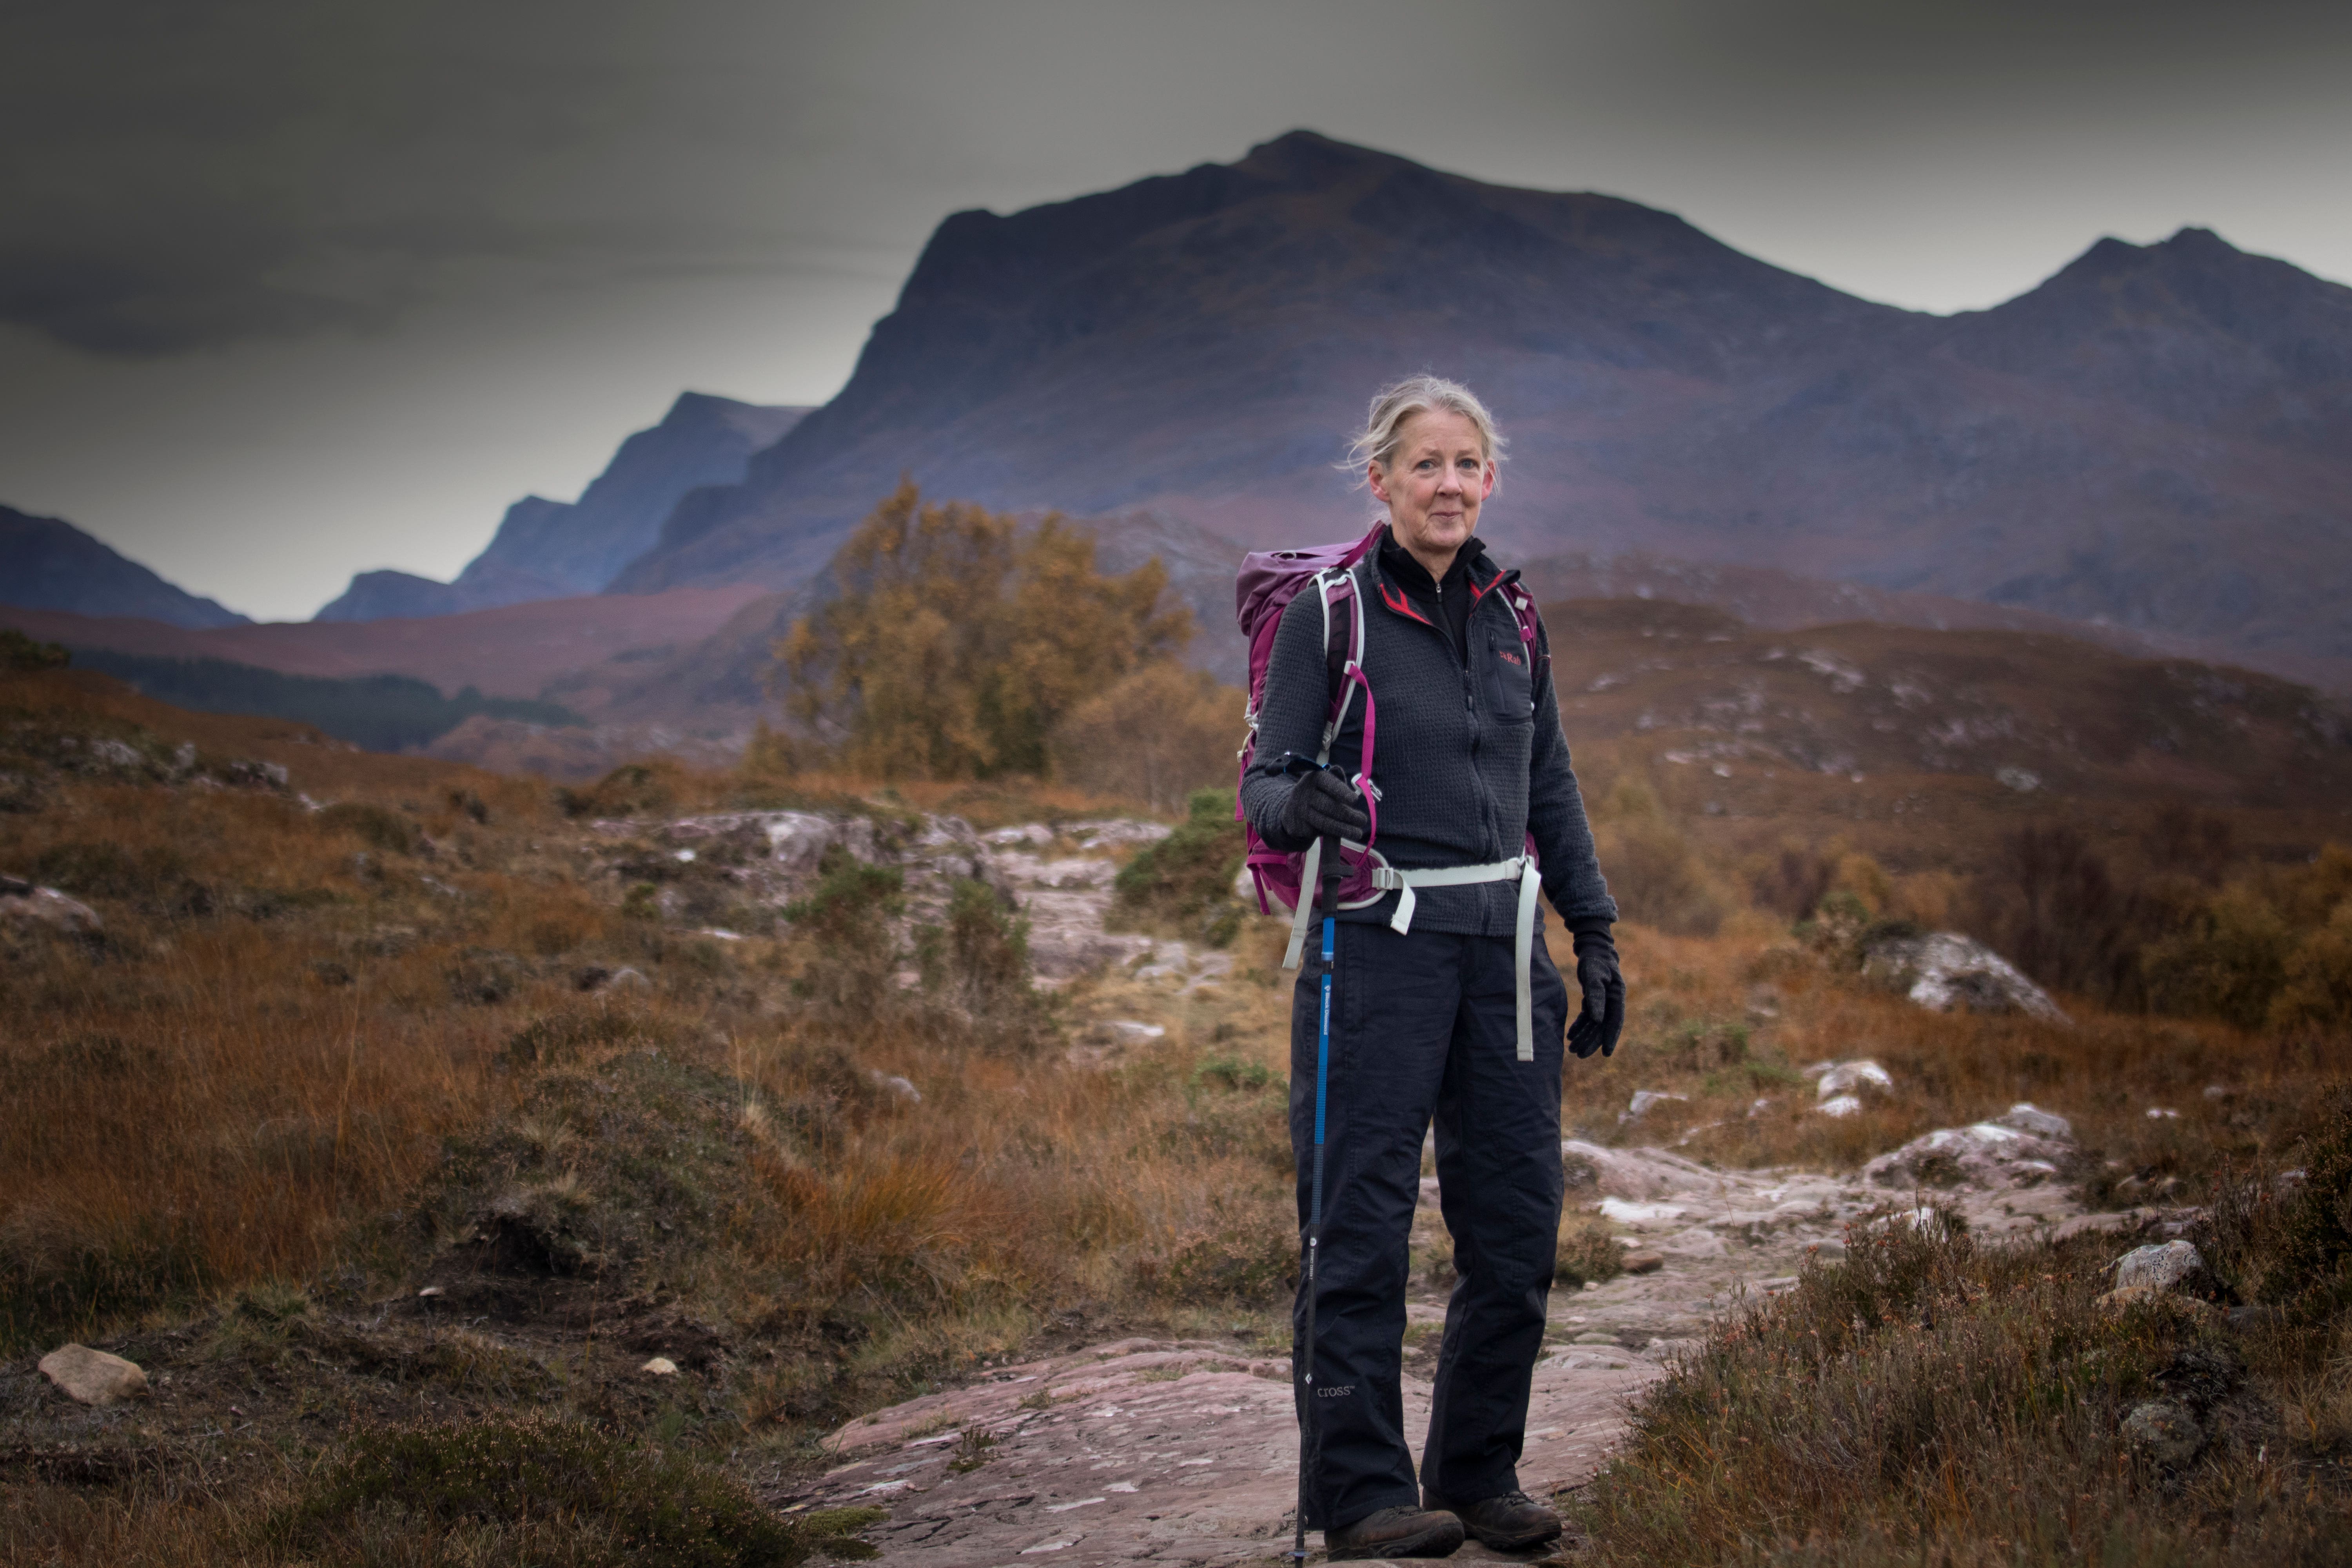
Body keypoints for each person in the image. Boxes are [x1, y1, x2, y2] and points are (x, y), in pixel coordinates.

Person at [1239, 375, 1624, 1560]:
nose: (1449, 484)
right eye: (1426, 465)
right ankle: (1358, 1496)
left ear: (1490, 478)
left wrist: (1594, 931)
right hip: (1375, 952)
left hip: (1506, 956)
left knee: (1515, 1230)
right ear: (1382, 480)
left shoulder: (1515, 617)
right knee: (1356, 1225)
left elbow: (1547, 784)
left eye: (1467, 464)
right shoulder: (1330, 615)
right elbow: (1263, 781)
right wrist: (1299, 798)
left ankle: (1477, 1474)